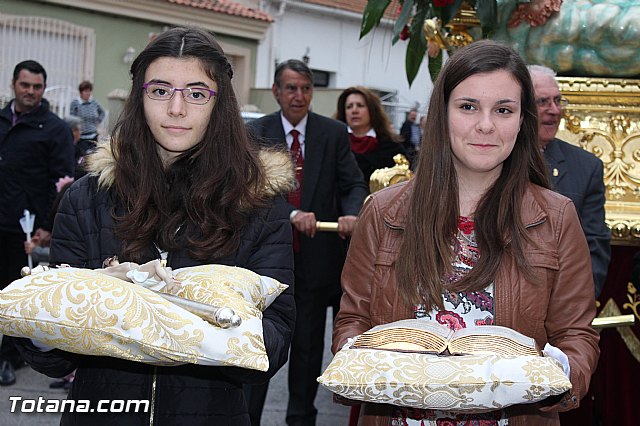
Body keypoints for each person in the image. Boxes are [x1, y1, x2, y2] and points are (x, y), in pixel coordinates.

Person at [10, 27, 295, 425]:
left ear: (220, 103)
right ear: (139, 97)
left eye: (196, 93)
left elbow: (274, 346)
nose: (176, 108)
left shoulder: (258, 205)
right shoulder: (87, 199)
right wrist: (93, 298)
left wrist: (165, 306)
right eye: (160, 90)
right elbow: (53, 357)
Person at [333, 40, 600, 425]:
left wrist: (556, 376)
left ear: (522, 121)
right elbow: (352, 321)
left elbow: (576, 336)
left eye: (503, 110)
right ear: (442, 114)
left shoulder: (555, 218)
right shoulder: (384, 212)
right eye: (468, 106)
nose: (486, 124)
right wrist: (353, 355)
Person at [245, 59, 368, 426]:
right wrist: (289, 215)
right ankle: (248, 418)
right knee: (258, 349)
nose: (299, 96)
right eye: (291, 88)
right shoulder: (256, 133)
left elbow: (353, 183)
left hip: (314, 265)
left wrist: (351, 213)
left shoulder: (331, 133)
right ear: (276, 92)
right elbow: (248, 190)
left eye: (305, 89)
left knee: (307, 349)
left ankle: (301, 419)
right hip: (264, 264)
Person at [0, 59, 75, 386]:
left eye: (37, 87)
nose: (30, 92)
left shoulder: (55, 129)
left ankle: (8, 357)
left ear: (43, 89)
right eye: (25, 85)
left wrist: (48, 225)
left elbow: (62, 181)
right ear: (13, 84)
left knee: (14, 296)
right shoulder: (1, 120)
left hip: (24, 228)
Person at [528, 64, 611, 298]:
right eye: (542, 101)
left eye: (558, 101)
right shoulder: (494, 158)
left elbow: (594, 246)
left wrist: (574, 306)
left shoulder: (586, 167)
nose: (554, 110)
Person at [335, 86, 408, 185]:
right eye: (349, 107)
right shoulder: (334, 145)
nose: (354, 110)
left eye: (360, 105)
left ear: (372, 110)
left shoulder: (391, 147)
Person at [70, 80, 105, 144]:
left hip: (93, 136)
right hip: (80, 138)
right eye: (86, 91)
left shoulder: (94, 102)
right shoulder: (75, 103)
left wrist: (97, 122)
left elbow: (102, 112)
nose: (88, 93)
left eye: (89, 91)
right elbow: (72, 119)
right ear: (81, 92)